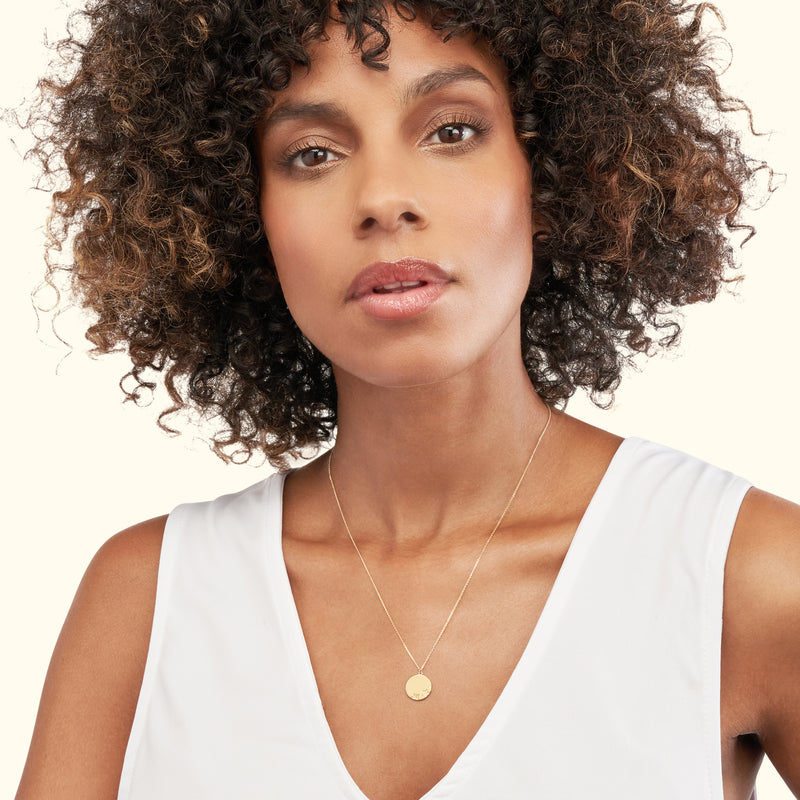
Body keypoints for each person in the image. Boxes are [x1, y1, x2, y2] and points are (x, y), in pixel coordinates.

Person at [12, 0, 800, 798]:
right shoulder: (147, 602)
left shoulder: (746, 572)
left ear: (555, 169)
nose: (384, 198)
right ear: (242, 217)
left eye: (452, 130)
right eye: (312, 153)